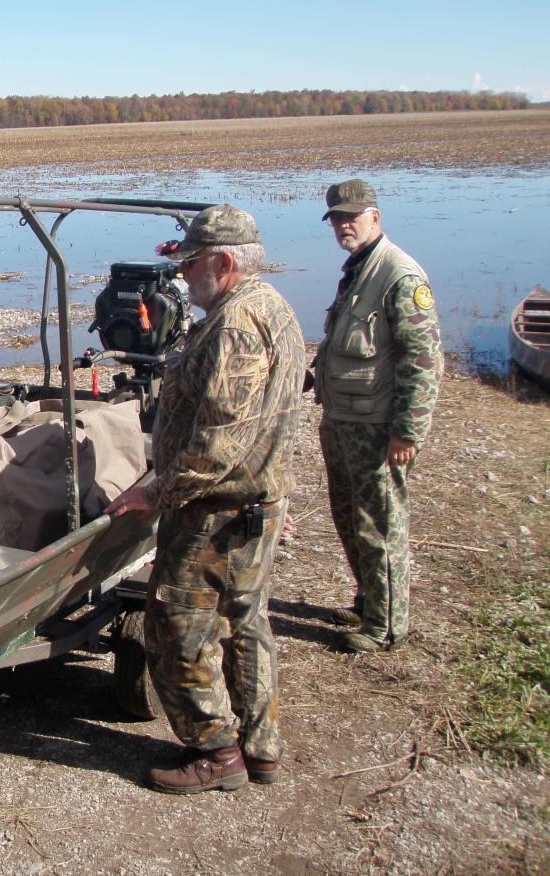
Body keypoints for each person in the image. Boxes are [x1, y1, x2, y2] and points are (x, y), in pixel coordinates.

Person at [106, 205, 305, 795]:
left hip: (216, 510)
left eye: (191, 265)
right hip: (257, 498)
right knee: (245, 622)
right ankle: (261, 748)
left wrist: (154, 491)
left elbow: (217, 443)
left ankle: (215, 751)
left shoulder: (238, 326)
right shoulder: (275, 308)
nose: (183, 278)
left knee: (179, 626)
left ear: (223, 262)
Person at [313, 179, 442, 653]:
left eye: (352, 216)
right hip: (343, 417)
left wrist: (407, 431)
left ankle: (386, 625)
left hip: (376, 426)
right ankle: (370, 601)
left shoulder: (399, 276)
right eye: (337, 218)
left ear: (375, 216)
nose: (344, 225)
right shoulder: (358, 270)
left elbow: (423, 361)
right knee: (349, 517)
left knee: (380, 523)